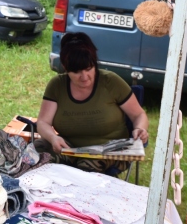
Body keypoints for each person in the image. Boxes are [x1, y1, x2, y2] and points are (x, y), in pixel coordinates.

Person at [35, 32, 149, 174]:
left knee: (87, 168)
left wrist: (140, 129)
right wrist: (53, 138)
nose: (84, 77)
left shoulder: (111, 82)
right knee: (34, 154)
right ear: (65, 67)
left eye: (89, 69)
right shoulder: (57, 85)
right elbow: (43, 122)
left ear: (94, 64)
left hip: (109, 150)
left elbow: (138, 114)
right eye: (76, 72)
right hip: (69, 148)